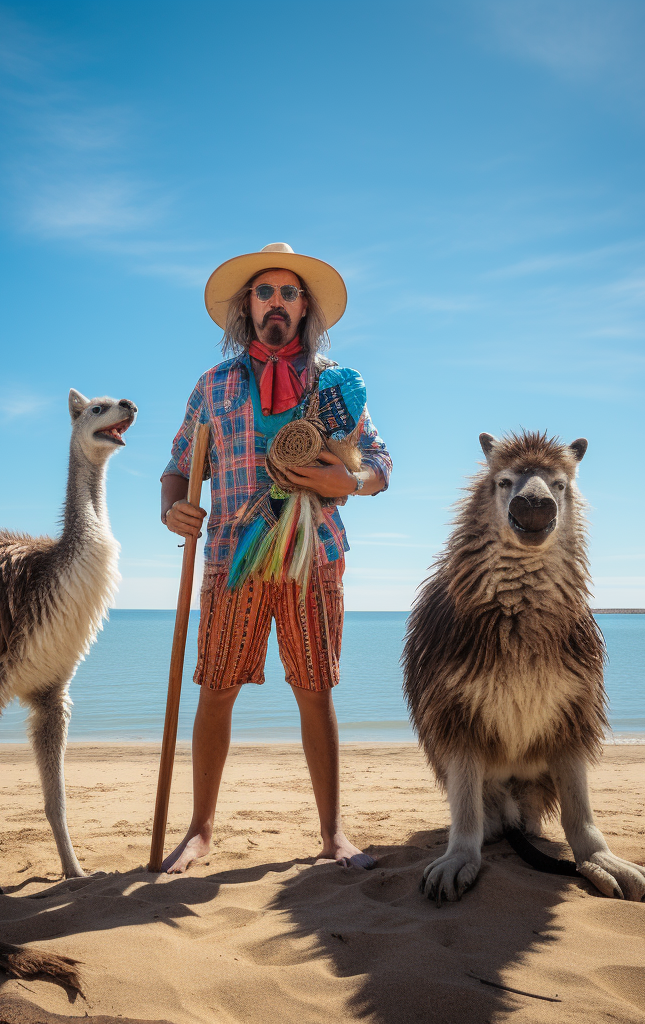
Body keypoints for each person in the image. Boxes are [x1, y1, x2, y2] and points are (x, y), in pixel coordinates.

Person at [160, 242, 391, 873]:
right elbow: (179, 468)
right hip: (232, 559)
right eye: (267, 292)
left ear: (306, 307)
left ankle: (333, 833)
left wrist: (353, 482)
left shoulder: (334, 386)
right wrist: (173, 509)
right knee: (218, 688)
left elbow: (380, 462)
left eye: (290, 293)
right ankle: (201, 830)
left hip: (314, 559)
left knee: (315, 690)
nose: (278, 304)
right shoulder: (213, 386)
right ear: (247, 306)